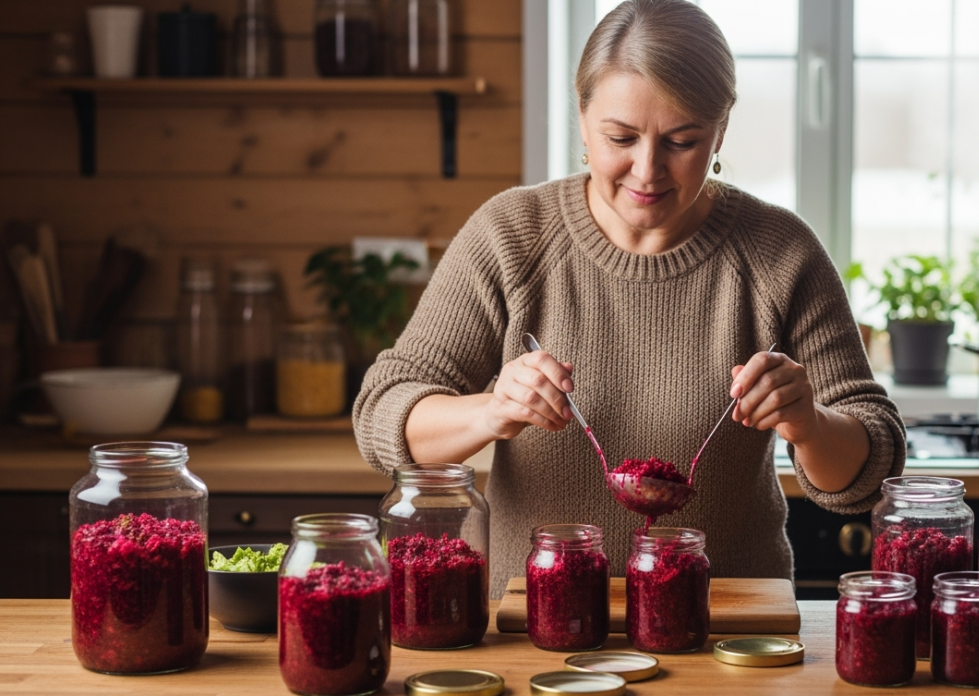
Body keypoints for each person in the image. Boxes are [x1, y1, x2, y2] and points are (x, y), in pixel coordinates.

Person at [354, 0, 906, 598]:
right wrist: (490, 411)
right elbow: (384, 416)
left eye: (682, 140)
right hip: (538, 623)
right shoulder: (511, 236)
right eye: (621, 137)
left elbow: (868, 474)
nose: (647, 171)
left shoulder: (781, 253)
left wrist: (810, 423)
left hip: (727, 626)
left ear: (720, 130)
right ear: (582, 119)